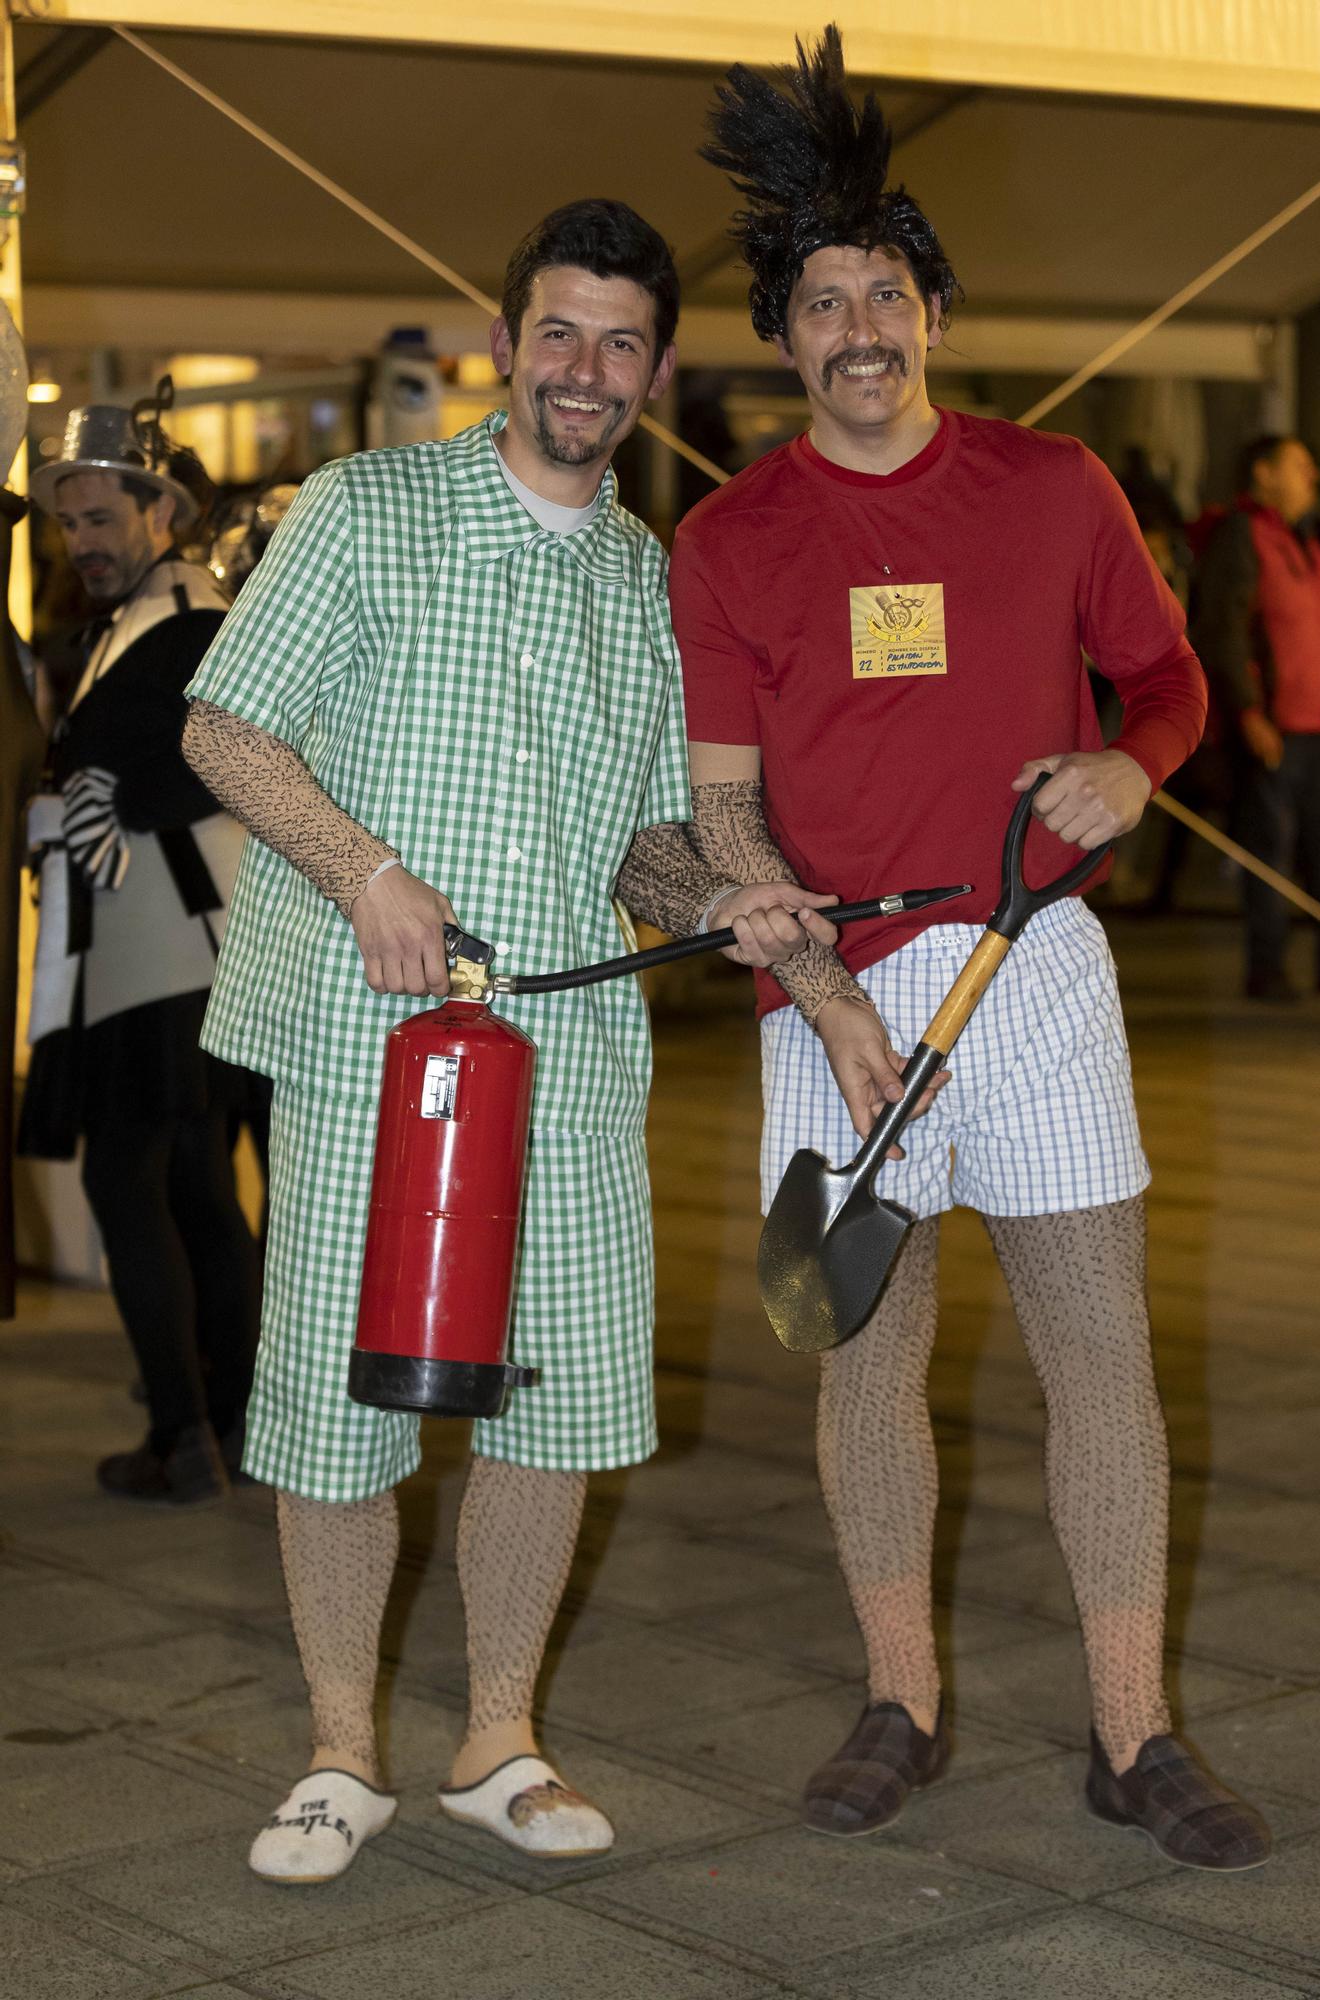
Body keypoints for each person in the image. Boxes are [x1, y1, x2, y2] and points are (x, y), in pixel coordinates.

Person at [669, 29, 1271, 1871]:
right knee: (863, 1349)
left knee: (1096, 1349)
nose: (856, 325)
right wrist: (826, 999)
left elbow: (1165, 685)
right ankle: (899, 1698)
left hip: (1041, 973)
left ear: (930, 312)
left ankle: (1129, 1731)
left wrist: (1125, 760)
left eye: (884, 292)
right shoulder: (725, 537)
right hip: (822, 987)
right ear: (781, 338)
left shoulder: (1056, 489)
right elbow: (716, 806)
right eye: (818, 299)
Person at [181, 198, 831, 1883]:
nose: (585, 370)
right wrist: (367, 872)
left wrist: (726, 902)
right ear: (502, 343)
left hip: (564, 1053)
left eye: (620, 343)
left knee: (548, 1410)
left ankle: (495, 1739)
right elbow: (223, 728)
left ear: (656, 371)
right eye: (559, 332)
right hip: (362, 1037)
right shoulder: (368, 512)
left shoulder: (644, 576)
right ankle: (339, 1752)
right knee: (343, 1408)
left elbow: (633, 845)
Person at [20, 396, 261, 1501]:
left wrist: (112, 793)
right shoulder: (149, 618)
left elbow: (237, 754)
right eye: (69, 524)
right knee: (197, 1192)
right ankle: (227, 1421)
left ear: (159, 509)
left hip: (165, 953)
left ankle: (185, 1432)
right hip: (162, 949)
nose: (84, 540)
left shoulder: (190, 618)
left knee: (137, 1185)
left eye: (101, 514)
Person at [1190, 434, 1320, 999]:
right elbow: (1223, 628)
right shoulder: (1243, 536)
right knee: (1269, 851)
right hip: (1273, 727)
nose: (1314, 475)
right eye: (1301, 465)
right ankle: (1267, 967)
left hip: (1319, 726)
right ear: (1264, 473)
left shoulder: (1308, 544)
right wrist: (1248, 711)